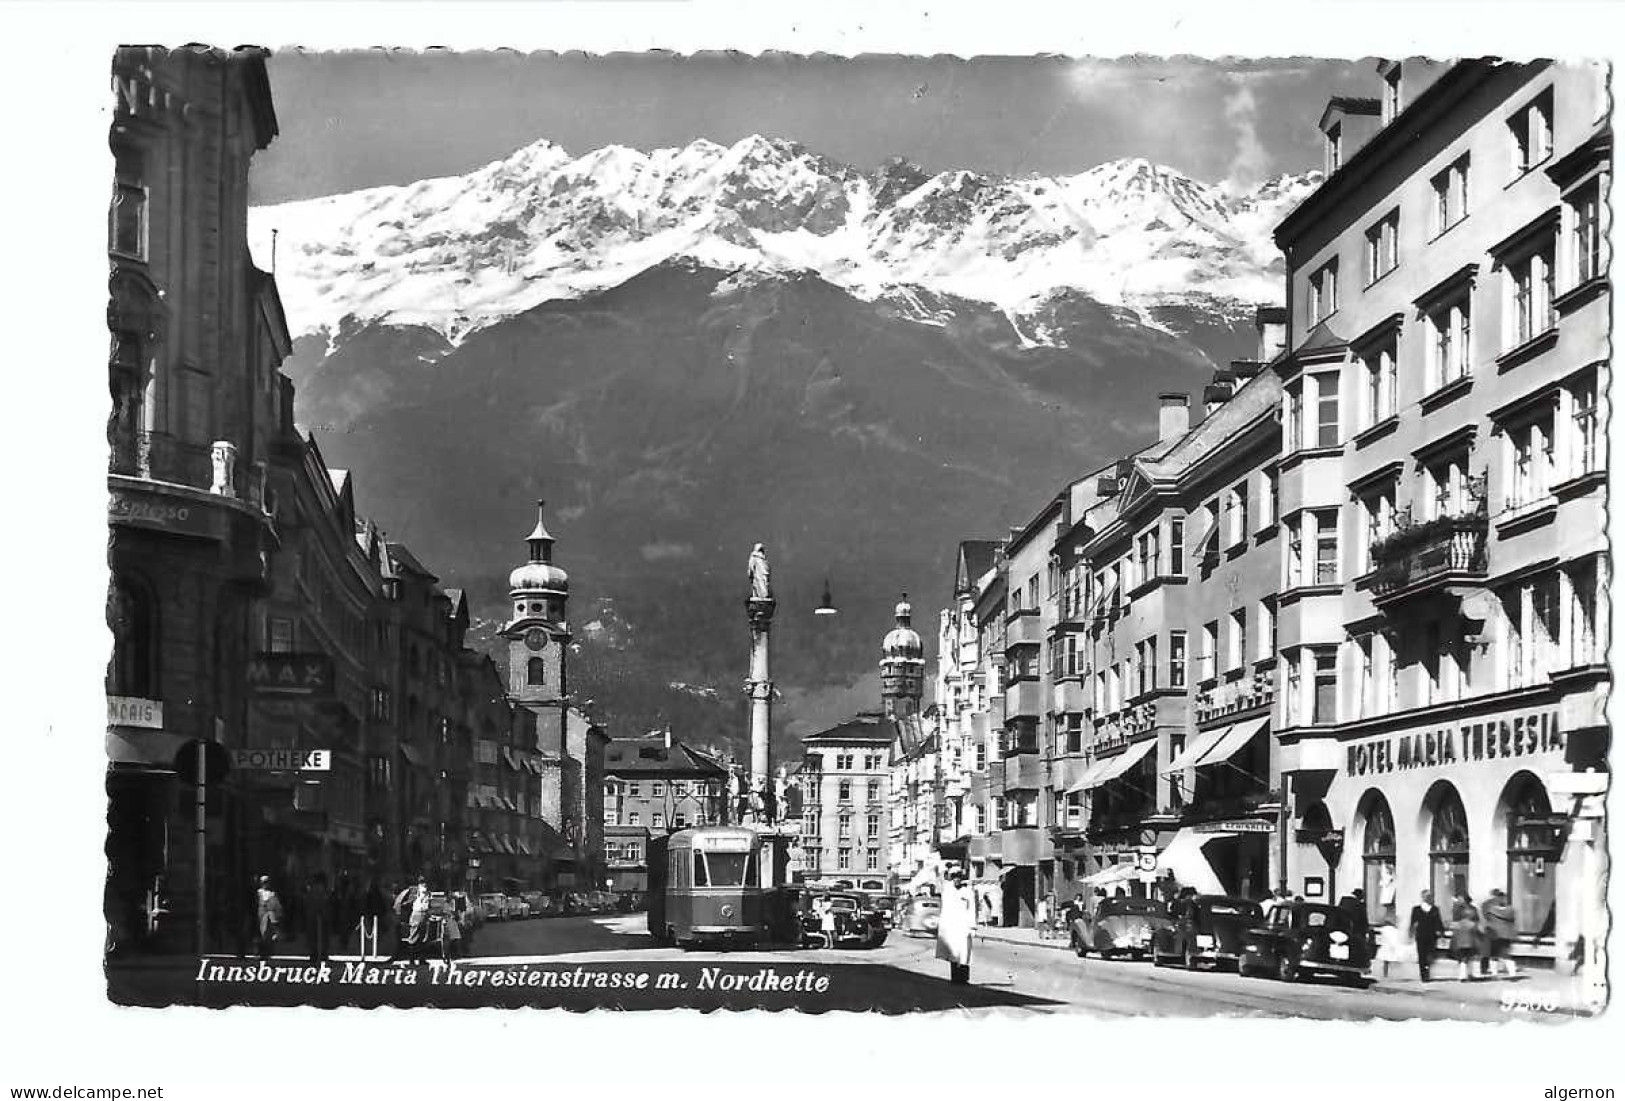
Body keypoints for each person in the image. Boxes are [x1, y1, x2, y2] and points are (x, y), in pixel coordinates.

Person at [937, 870, 974, 985]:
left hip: (963, 925)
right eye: (954, 877)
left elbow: (972, 909)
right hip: (951, 926)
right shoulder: (947, 891)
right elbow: (938, 880)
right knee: (953, 952)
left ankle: (964, 978)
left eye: (959, 877)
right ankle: (955, 977)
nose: (957, 880)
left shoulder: (967, 892)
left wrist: (972, 926)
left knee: (964, 953)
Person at [393, 875, 432, 963]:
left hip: (424, 914)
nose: (425, 884)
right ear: (419, 883)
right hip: (417, 913)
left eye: (425, 882)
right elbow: (403, 903)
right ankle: (412, 958)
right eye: (423, 882)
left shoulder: (428, 892)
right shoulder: (414, 891)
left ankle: (421, 958)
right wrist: (401, 912)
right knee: (414, 937)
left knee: (423, 937)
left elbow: (428, 903)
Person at [1409, 889, 1444, 982]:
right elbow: (1413, 922)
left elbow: (1438, 921)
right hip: (1421, 935)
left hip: (1431, 935)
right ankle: (1423, 974)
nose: (1428, 898)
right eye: (1426, 896)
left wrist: (1441, 931)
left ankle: (1427, 970)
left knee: (1430, 954)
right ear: (1423, 897)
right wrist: (1411, 933)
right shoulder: (1416, 909)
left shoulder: (1434, 909)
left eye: (1430, 896)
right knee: (1421, 955)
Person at [1481, 888, 1518, 978]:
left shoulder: (1490, 909)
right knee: (1506, 954)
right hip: (1507, 934)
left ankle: (1494, 974)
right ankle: (1512, 973)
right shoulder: (1511, 910)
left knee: (1493, 955)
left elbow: (1486, 918)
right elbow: (1512, 921)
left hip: (1494, 933)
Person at [1450, 891, 1482, 982]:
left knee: (1463, 954)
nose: (1458, 900)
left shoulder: (1457, 909)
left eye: (1460, 898)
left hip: (1462, 933)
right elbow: (1477, 920)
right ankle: (1473, 974)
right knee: (1471, 954)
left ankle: (1463, 975)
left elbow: (1454, 921)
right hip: (1470, 933)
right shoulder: (1474, 909)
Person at [303, 872, 332, 962]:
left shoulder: (312, 889)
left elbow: (308, 900)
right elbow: (325, 900)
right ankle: (322, 953)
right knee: (321, 935)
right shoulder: (322, 889)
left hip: (314, 913)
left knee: (314, 935)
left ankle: (315, 953)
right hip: (320, 913)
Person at [254, 875, 284, 961]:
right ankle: (261, 952)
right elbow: (256, 904)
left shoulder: (272, 894)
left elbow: (277, 906)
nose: (265, 884)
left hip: (269, 917)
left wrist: (278, 915)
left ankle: (267, 953)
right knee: (261, 935)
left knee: (268, 935)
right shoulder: (258, 892)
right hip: (260, 916)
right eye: (263, 882)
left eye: (266, 882)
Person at [1374, 903, 1406, 980]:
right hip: (1391, 947)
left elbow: (1377, 931)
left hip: (1387, 947)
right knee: (1393, 961)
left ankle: (1386, 974)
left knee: (1386, 962)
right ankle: (1396, 975)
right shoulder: (1394, 930)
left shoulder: (1386, 929)